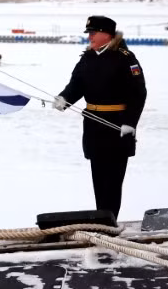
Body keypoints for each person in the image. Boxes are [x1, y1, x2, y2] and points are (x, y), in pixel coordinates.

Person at [53, 16, 146, 220]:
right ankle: (101, 221)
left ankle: (109, 222)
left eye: (94, 32)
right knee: (99, 178)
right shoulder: (87, 57)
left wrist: (130, 123)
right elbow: (76, 85)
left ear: (107, 34)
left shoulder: (125, 58)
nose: (90, 36)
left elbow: (138, 94)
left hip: (117, 127)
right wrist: (64, 98)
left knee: (112, 181)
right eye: (89, 33)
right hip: (93, 125)